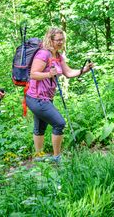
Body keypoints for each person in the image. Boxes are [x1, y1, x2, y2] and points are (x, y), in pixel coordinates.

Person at [26, 27, 93, 162]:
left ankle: (39, 157)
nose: (61, 42)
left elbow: (68, 73)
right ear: (50, 40)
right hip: (36, 98)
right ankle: (56, 157)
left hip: (46, 98)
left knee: (40, 127)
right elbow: (33, 74)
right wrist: (48, 74)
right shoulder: (43, 54)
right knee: (59, 123)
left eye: (62, 40)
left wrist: (84, 70)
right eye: (58, 40)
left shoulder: (58, 56)